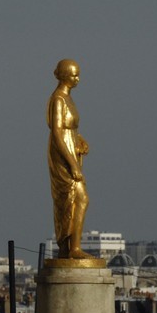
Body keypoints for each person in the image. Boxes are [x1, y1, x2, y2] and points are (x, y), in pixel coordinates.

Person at [47, 59, 92, 260]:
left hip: (71, 147)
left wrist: (79, 141)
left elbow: (70, 129)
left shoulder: (68, 99)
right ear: (64, 75)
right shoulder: (58, 99)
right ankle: (73, 248)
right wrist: (72, 164)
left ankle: (69, 248)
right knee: (77, 197)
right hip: (61, 153)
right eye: (73, 75)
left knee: (74, 199)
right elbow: (57, 132)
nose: (77, 79)